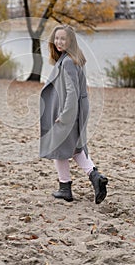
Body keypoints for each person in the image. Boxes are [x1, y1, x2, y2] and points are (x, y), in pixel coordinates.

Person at [39, 24, 108, 204]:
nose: (59, 42)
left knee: (59, 149)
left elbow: (72, 93)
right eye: (57, 38)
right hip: (77, 110)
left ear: (71, 41)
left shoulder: (68, 62)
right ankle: (95, 176)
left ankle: (65, 188)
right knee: (75, 148)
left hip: (69, 111)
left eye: (63, 39)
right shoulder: (72, 58)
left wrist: (64, 116)